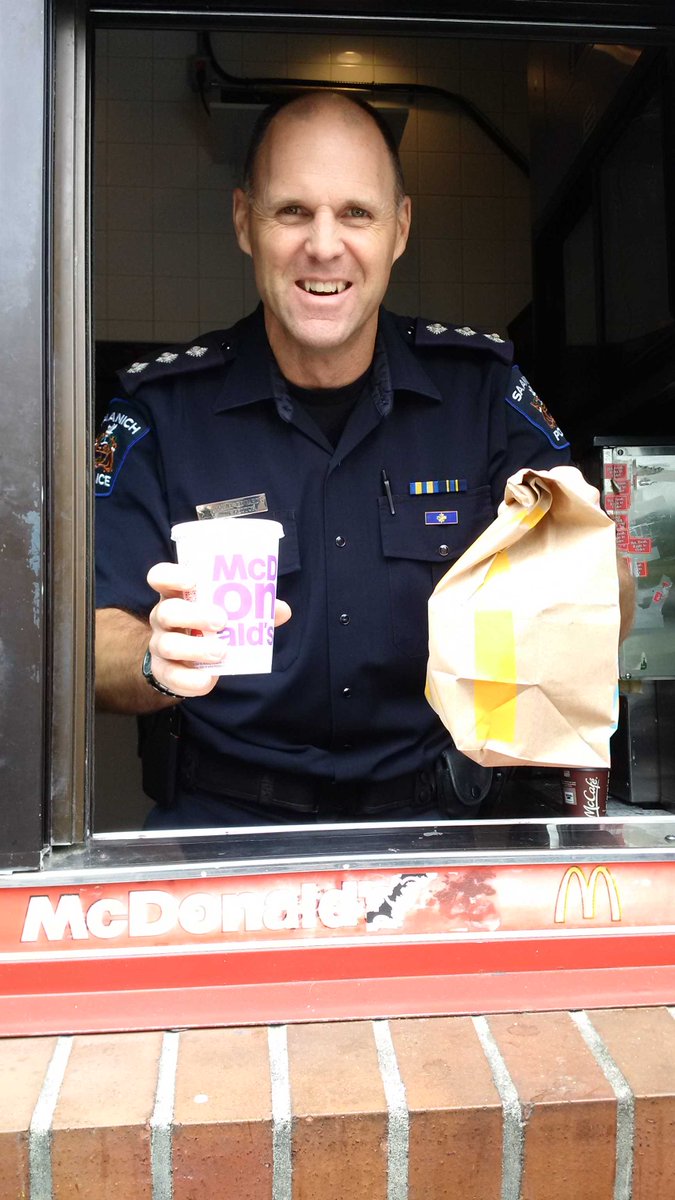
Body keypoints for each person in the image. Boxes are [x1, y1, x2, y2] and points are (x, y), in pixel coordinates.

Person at [95, 89, 577, 829]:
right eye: (293, 211)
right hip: (221, 827)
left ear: (399, 229)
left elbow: (592, 584)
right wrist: (153, 660)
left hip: (441, 826)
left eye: (356, 213)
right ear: (244, 222)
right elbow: (87, 636)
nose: (324, 245)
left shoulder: (480, 393)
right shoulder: (160, 409)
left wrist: (588, 572)